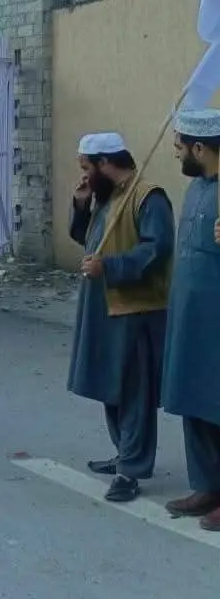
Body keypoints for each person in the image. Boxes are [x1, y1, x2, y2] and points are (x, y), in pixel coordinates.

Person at [66, 131, 174, 503]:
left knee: (134, 391)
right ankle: (124, 453)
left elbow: (156, 250)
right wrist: (80, 205)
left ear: (105, 163)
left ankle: (131, 470)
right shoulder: (104, 195)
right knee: (111, 385)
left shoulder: (149, 197)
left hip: (134, 309)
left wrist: (109, 266)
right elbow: (88, 239)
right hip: (102, 305)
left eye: (86, 168)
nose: (82, 175)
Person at [163, 109, 220, 527]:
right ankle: (207, 486)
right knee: (194, 402)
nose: (176, 153)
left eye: (180, 147)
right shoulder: (197, 187)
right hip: (190, 316)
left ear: (200, 148)